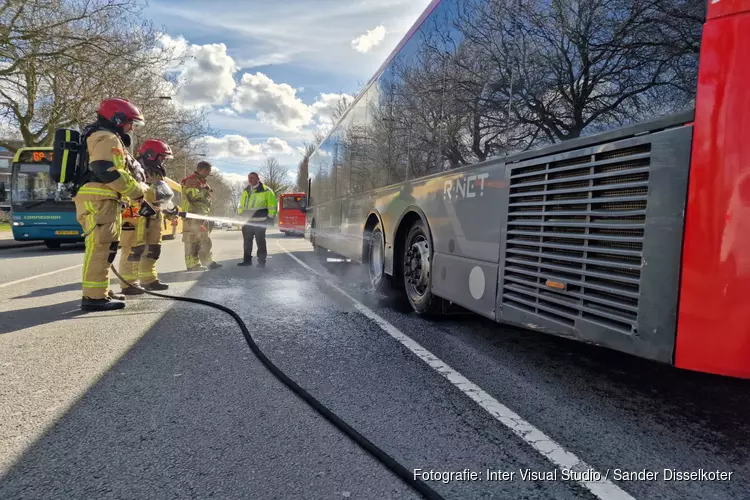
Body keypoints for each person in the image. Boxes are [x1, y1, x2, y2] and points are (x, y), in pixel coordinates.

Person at [73, 98, 150, 312]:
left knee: (105, 247)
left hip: (101, 200)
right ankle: (94, 298)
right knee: (100, 247)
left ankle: (100, 291)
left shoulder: (99, 136)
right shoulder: (107, 138)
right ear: (117, 118)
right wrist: (137, 191)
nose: (131, 128)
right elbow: (106, 169)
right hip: (100, 200)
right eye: (129, 122)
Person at [118, 139, 175, 294]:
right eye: (161, 157)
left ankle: (149, 280)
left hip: (154, 217)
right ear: (151, 154)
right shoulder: (133, 168)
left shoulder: (157, 173)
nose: (163, 160)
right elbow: (130, 190)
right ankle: (129, 283)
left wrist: (170, 209)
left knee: (152, 250)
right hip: (136, 216)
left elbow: (162, 196)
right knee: (133, 251)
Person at [181, 161, 222, 271]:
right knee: (192, 240)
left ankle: (206, 261)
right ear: (203, 170)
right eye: (208, 171)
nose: (209, 173)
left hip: (200, 215)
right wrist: (205, 191)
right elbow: (194, 196)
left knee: (204, 240)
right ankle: (192, 264)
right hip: (193, 215)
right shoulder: (192, 181)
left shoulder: (201, 181)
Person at [237, 171, 277, 268]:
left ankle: (261, 262)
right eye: (249, 178)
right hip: (247, 222)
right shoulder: (246, 191)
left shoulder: (267, 191)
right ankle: (247, 261)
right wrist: (240, 214)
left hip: (260, 221)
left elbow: (272, 206)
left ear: (258, 179)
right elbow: (241, 204)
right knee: (247, 242)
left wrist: (270, 219)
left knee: (260, 242)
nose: (250, 180)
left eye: (253, 178)